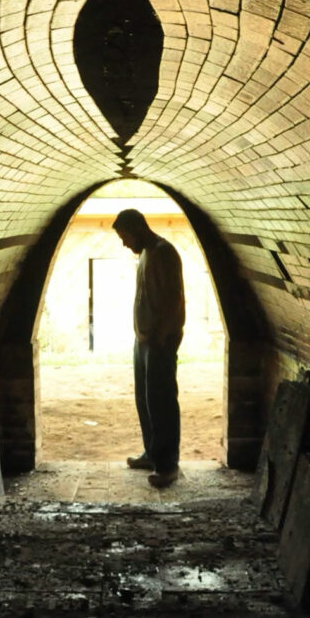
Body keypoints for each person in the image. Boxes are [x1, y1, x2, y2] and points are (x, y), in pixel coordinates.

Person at [112, 208, 185, 488]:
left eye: (125, 236)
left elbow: (173, 299)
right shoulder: (145, 254)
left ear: (139, 229)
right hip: (143, 339)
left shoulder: (164, 253)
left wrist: (162, 335)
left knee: (162, 401)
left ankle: (168, 465)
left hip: (159, 341)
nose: (124, 243)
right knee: (145, 399)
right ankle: (152, 453)